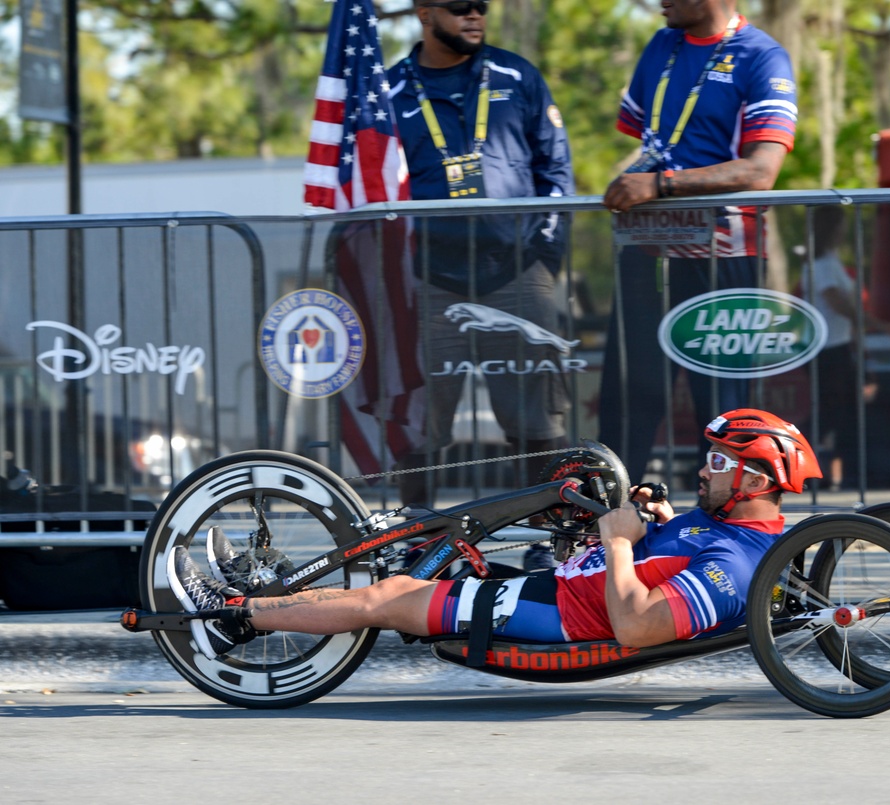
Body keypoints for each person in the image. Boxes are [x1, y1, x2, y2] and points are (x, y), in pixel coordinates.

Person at [168, 409, 822, 659]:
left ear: (754, 477)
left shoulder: (736, 562)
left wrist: (619, 539)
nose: (702, 469)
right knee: (411, 544)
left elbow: (639, 626)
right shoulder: (727, 522)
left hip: (558, 612)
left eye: (716, 462)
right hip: (563, 582)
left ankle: (236, 617)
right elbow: (670, 557)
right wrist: (653, 516)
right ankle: (263, 588)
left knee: (389, 596)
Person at [386, 0, 575, 568]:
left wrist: (544, 258)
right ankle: (419, 541)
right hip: (428, 280)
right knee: (420, 419)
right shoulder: (389, 91)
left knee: (537, 422)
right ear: (423, 11)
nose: (475, 15)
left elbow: (556, 171)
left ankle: (553, 542)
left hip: (517, 272)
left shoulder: (518, 76)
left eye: (483, 6)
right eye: (460, 5)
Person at [598, 0, 798, 484]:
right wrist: (645, 180)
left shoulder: (763, 55)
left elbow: (761, 170)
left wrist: (661, 185)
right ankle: (608, 538)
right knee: (628, 401)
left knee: (724, 411)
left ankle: (732, 539)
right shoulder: (662, 45)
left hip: (724, 256)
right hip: (648, 250)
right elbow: (644, 135)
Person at [801, 205, 890, 490]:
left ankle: (842, 475)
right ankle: (799, 464)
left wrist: (860, 344)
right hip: (826, 348)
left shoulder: (829, 261)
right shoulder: (819, 264)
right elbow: (839, 304)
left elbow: (846, 308)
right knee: (830, 413)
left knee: (843, 413)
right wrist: (879, 325)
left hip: (841, 346)